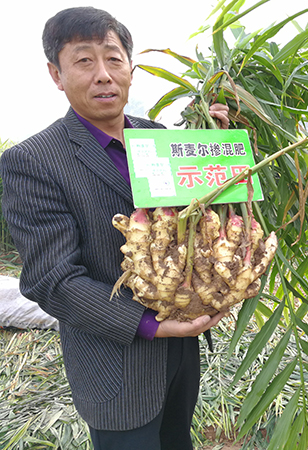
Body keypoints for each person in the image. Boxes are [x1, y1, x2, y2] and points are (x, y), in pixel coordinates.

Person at [0, 7, 229, 450]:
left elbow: (197, 220)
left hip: (182, 352)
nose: (103, 74)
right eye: (84, 61)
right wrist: (150, 325)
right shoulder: (33, 160)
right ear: (56, 74)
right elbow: (53, 281)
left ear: (130, 69)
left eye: (113, 58)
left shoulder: (158, 137)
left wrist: (215, 148)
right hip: (116, 364)